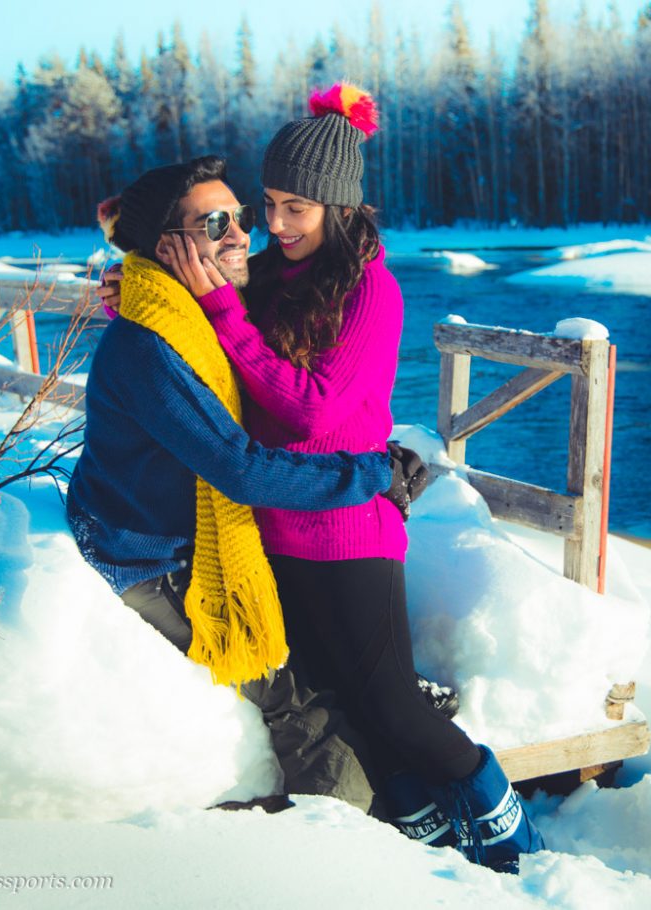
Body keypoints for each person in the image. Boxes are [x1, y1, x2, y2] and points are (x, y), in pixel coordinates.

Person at [155, 84, 544, 873]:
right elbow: (208, 325)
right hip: (275, 528)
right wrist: (148, 291)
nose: (276, 224)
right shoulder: (269, 279)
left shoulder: (373, 292)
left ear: (336, 205)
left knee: (395, 707)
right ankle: (427, 848)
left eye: (296, 207)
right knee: (346, 705)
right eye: (269, 203)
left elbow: (309, 411)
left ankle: (511, 837)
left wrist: (225, 315)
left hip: (347, 532)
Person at [67, 156, 419, 813]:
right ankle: (353, 846)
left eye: (244, 218)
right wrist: (370, 474)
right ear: (167, 247)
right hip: (153, 555)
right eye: (217, 223)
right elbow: (242, 469)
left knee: (341, 661)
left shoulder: (186, 308)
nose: (241, 236)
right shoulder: (151, 344)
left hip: (191, 528)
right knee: (304, 703)